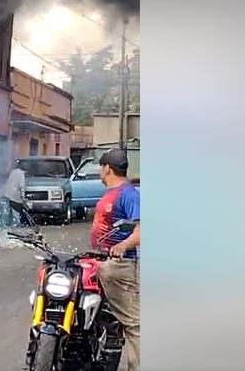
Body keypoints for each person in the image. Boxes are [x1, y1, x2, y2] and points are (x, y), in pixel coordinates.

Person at [90, 149, 140, 371]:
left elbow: (141, 229)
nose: (100, 171)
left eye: (101, 167)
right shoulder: (112, 193)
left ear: (107, 168)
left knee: (134, 324)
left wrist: (122, 245)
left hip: (120, 266)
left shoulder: (128, 194)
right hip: (100, 261)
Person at [0, 161, 26, 226]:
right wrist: (23, 197)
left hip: (5, 194)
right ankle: (15, 226)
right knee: (15, 213)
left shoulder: (12, 172)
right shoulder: (21, 174)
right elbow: (22, 186)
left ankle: (4, 226)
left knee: (5, 213)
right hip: (14, 197)